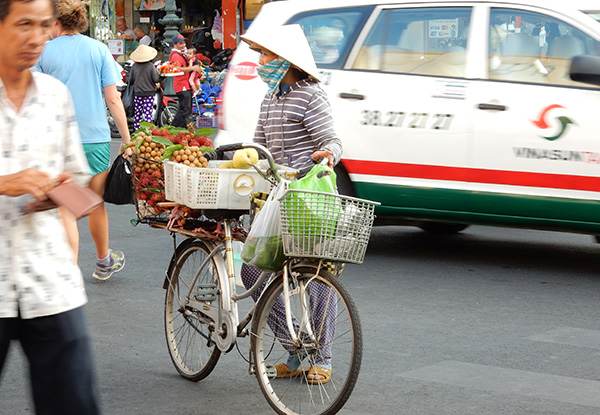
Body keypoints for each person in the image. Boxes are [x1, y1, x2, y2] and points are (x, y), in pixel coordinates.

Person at [0, 0, 101, 413]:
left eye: (45, 25)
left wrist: (63, 190)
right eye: (24, 24)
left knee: (74, 404)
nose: (37, 37)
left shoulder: (56, 96)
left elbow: (76, 179)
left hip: (51, 282)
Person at [239, 24, 342, 384]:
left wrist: (327, 155)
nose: (260, 62)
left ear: (285, 61)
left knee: (315, 278)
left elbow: (331, 139)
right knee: (252, 270)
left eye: (265, 56)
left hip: (307, 202)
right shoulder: (270, 98)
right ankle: (296, 350)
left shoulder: (311, 95)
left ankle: (323, 357)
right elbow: (257, 146)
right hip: (274, 199)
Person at [36, 0, 130, 280]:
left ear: (55, 22)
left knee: (64, 206)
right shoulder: (99, 50)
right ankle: (103, 262)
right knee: (94, 201)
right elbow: (113, 98)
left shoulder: (42, 51)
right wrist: (127, 138)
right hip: (96, 139)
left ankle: (67, 278)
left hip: (57, 140)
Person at [169, 33, 202, 128]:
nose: (183, 45)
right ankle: (175, 128)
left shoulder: (181, 54)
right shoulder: (175, 55)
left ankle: (182, 129)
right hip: (181, 84)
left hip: (185, 84)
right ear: (175, 45)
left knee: (186, 108)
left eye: (184, 43)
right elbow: (178, 69)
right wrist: (193, 68)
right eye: (180, 44)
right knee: (185, 109)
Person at [129, 44, 161, 130]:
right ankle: (148, 131)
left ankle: (137, 130)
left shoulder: (134, 66)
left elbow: (131, 79)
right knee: (148, 114)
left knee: (138, 113)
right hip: (149, 93)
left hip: (137, 93)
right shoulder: (150, 66)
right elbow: (156, 78)